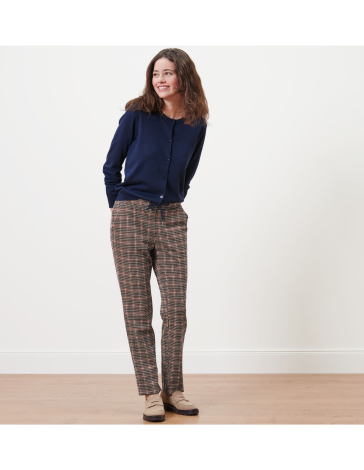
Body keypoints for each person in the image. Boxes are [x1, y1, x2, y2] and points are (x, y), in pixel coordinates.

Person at [102, 48, 208, 422]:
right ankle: (150, 391)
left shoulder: (197, 123)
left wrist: (171, 200)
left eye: (168, 73)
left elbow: (188, 173)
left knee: (175, 309)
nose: (160, 80)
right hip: (129, 217)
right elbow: (111, 167)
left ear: (184, 77)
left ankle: (173, 389)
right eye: (155, 74)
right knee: (138, 310)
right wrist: (119, 208)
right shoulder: (136, 115)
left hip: (172, 218)